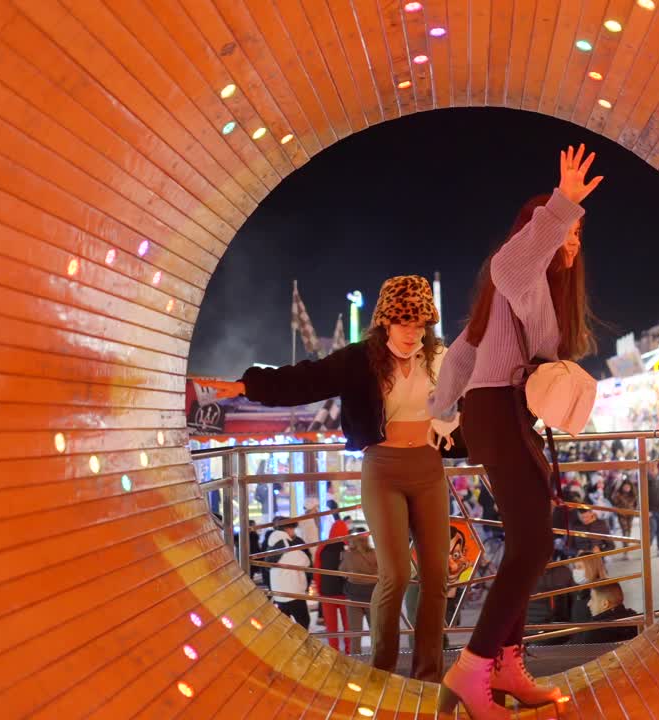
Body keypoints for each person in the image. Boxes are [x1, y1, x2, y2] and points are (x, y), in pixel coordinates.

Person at [197, 274, 457, 682]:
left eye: (420, 323)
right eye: (404, 322)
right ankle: (383, 674)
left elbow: (483, 383)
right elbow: (307, 379)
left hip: (428, 469)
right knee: (395, 574)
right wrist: (246, 385)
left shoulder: (440, 357)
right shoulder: (360, 359)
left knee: (437, 576)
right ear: (385, 321)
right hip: (383, 469)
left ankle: (428, 675)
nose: (412, 332)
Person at [430, 144, 603, 718]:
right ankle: (474, 669)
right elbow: (509, 264)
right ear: (539, 235)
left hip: (498, 413)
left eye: (576, 236)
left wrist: (440, 413)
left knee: (532, 537)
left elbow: (459, 354)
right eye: (563, 235)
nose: (571, 243)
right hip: (498, 411)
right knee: (532, 542)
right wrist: (560, 206)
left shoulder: (517, 301)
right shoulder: (517, 276)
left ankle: (505, 662)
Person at [265, 518, 312, 629]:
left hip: (279, 592)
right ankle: (302, 646)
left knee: (284, 626)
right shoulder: (286, 544)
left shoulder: (271, 543)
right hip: (293, 592)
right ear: (287, 528)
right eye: (293, 529)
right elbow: (305, 561)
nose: (294, 532)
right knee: (303, 622)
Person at [316, 519, 352, 652]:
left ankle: (334, 651)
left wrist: (319, 589)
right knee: (349, 625)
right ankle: (350, 651)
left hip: (327, 592)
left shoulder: (322, 547)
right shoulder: (349, 546)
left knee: (331, 627)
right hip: (345, 593)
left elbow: (317, 570)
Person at [341, 530, 378, 653]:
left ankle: (356, 659)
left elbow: (342, 571)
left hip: (354, 595)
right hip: (372, 594)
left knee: (355, 633)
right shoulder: (375, 553)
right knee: (375, 631)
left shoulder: (348, 555)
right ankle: (376, 660)